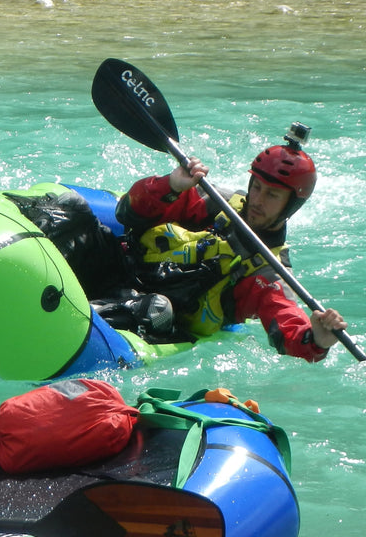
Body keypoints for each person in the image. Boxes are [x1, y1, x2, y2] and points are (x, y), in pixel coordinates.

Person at [112, 123, 347, 362]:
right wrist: (171, 185)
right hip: (127, 268)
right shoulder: (215, 201)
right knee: (75, 213)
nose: (257, 200)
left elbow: (288, 330)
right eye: (256, 187)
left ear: (292, 205)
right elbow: (127, 212)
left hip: (159, 318)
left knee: (155, 308)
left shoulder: (269, 273)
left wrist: (317, 340)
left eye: (272, 195)